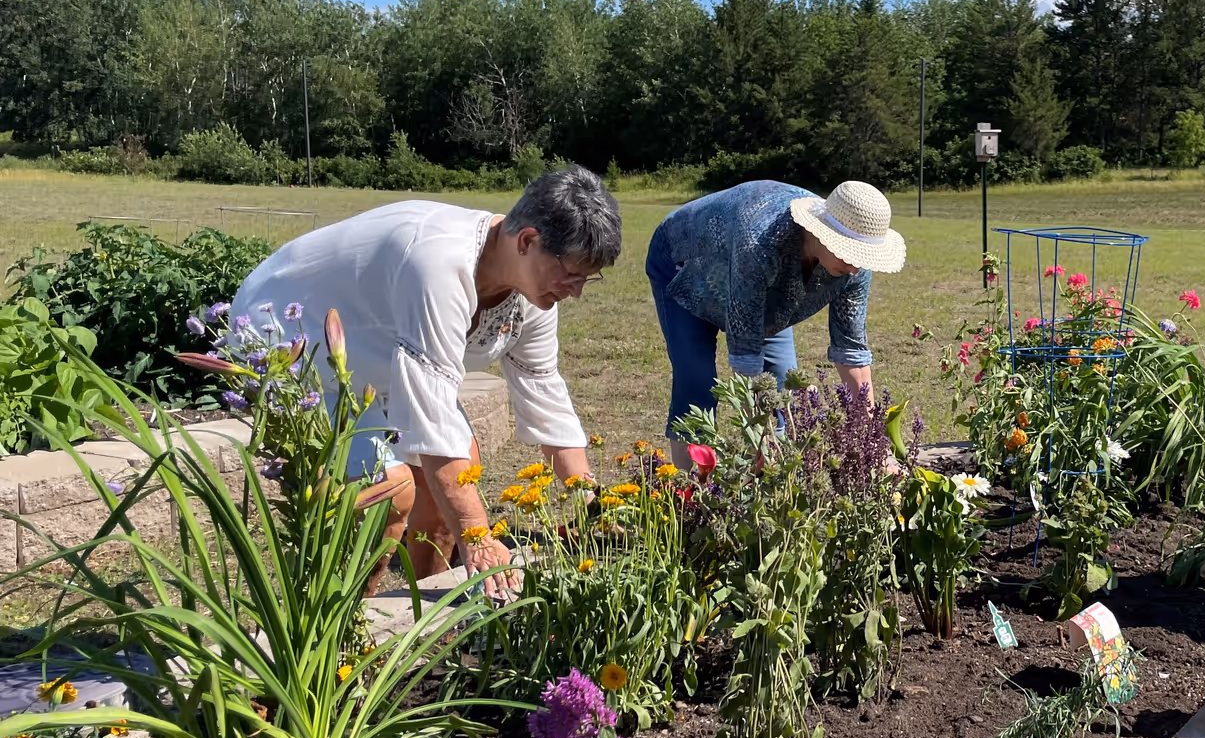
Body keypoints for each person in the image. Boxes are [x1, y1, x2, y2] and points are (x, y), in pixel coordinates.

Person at [233, 165, 620, 597]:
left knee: (452, 484)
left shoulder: (533, 292)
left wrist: (591, 502)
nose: (577, 290)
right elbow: (433, 418)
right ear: (528, 241)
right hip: (295, 341)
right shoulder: (438, 262)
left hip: (377, 356)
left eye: (588, 277)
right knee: (390, 493)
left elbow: (543, 390)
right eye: (572, 273)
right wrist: (481, 539)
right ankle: (347, 635)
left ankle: (427, 616)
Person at [647, 178, 905, 448]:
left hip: (761, 284)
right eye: (850, 253)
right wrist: (758, 439)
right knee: (697, 382)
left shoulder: (856, 269)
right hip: (687, 262)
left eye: (863, 257)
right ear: (823, 233)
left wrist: (871, 441)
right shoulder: (760, 242)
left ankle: (772, 474)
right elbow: (745, 357)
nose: (855, 268)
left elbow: (852, 352)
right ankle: (691, 485)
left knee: (781, 386)